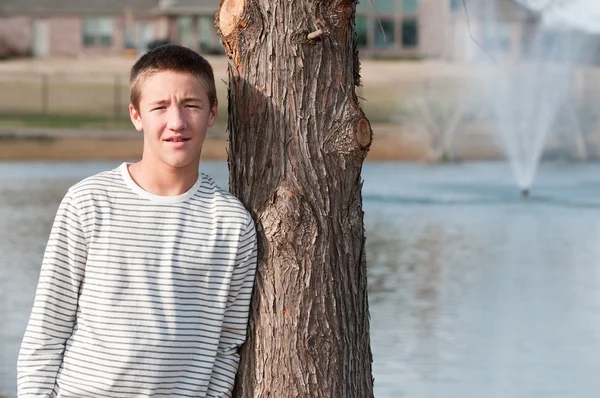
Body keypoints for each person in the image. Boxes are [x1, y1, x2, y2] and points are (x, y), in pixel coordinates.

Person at [17, 45, 258, 397]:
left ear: (212, 112)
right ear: (136, 115)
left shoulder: (233, 224)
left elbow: (227, 345)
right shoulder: (89, 203)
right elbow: (47, 330)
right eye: (159, 107)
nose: (176, 122)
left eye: (190, 105)